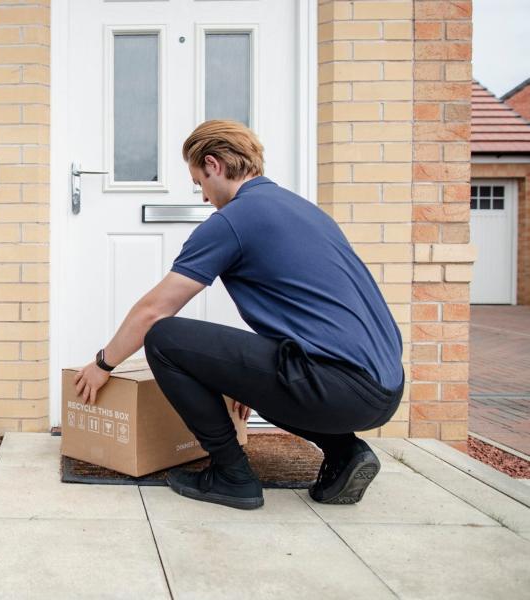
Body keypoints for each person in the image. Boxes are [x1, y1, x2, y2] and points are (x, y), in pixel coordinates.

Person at [72, 119, 404, 510]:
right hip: (384, 388)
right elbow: (311, 315)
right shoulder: (302, 210)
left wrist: (103, 363)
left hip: (336, 388)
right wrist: (246, 382)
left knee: (164, 338)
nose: (203, 197)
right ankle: (345, 451)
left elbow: (153, 311)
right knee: (251, 364)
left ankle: (232, 475)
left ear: (213, 165)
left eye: (199, 184)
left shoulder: (233, 220)